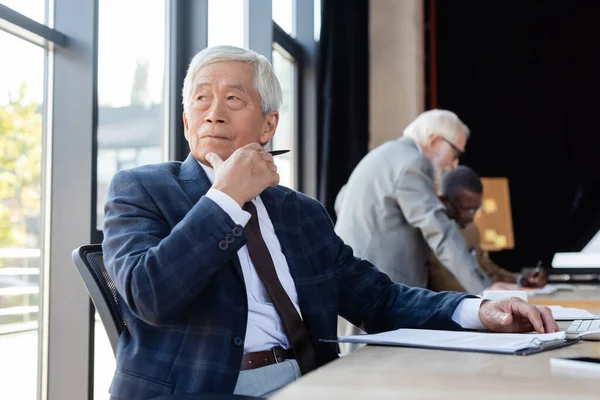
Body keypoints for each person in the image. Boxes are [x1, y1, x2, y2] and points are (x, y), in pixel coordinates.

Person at [102, 46, 558, 400]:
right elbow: (149, 293)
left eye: (233, 98)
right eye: (201, 99)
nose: (213, 111)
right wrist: (226, 196)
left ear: (268, 126)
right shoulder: (141, 189)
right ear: (186, 122)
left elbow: (379, 299)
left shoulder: (300, 212)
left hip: (313, 380)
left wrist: (477, 309)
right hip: (204, 388)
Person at [334, 109, 490, 294]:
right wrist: (486, 292)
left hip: (352, 276)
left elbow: (341, 202)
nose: (454, 164)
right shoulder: (414, 163)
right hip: (377, 286)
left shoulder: (383, 154)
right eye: (455, 154)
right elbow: (440, 233)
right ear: (434, 140)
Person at [429, 166, 548, 292]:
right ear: (443, 201)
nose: (472, 217)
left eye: (477, 209)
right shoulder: (428, 235)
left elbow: (487, 269)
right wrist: (488, 291)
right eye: (467, 209)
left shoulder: (471, 230)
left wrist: (520, 280)